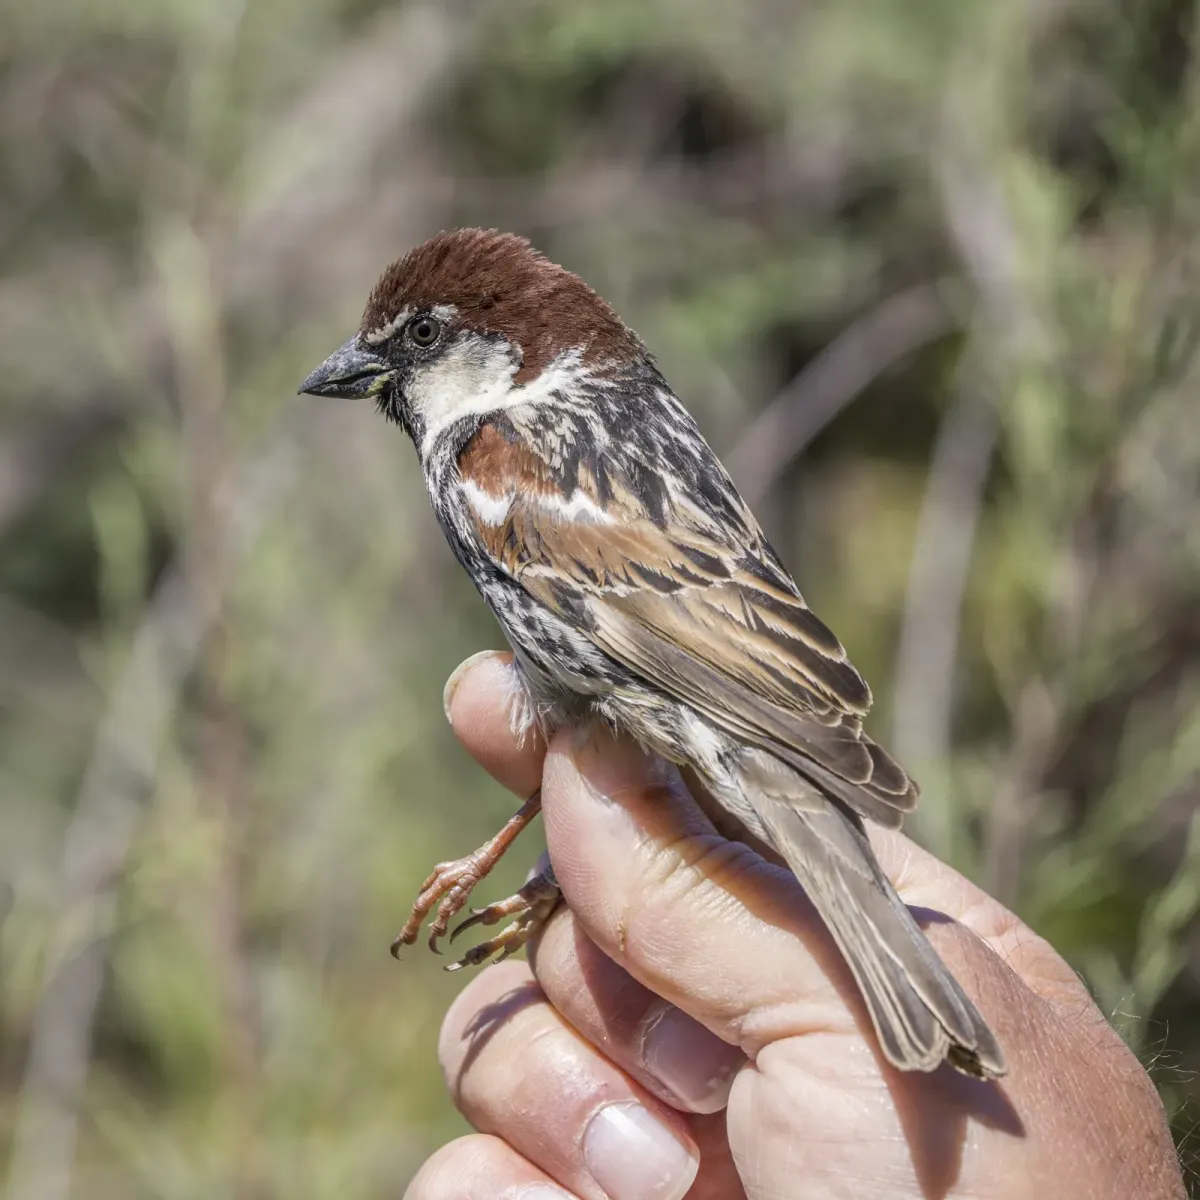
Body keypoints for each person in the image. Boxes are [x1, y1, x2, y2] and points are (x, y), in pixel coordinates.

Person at [405, 652, 1186, 1200]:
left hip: (695, 684)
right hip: (720, 685)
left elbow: (599, 724)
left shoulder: (504, 463)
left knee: (601, 787)